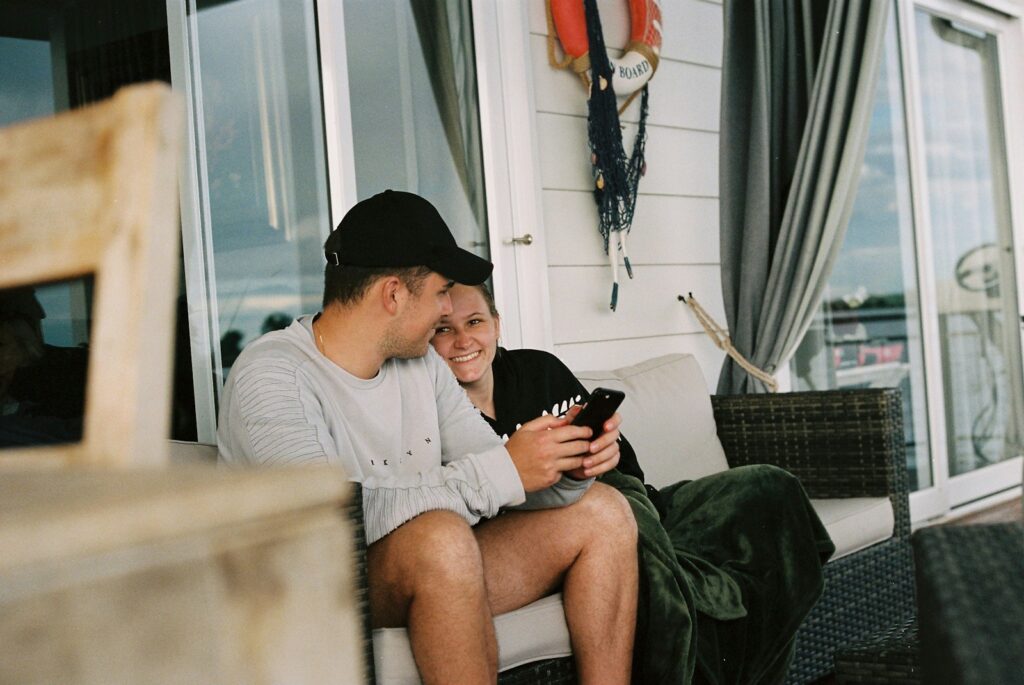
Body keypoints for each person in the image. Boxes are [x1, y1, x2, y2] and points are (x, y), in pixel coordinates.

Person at [217, 190, 638, 684]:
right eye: (441, 293)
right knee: (440, 539)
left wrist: (563, 465)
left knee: (605, 513)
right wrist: (505, 469)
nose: (445, 310)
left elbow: (494, 470)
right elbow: (327, 525)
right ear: (393, 295)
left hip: (424, 564)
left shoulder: (420, 367)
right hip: (310, 586)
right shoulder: (272, 374)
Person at [431, 282, 836, 684]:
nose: (463, 339)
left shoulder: (539, 369)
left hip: (640, 502)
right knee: (624, 524)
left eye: (475, 321)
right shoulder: (439, 417)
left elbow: (626, 466)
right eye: (445, 329)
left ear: (497, 326)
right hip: (571, 530)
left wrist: (600, 447)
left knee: (769, 487)